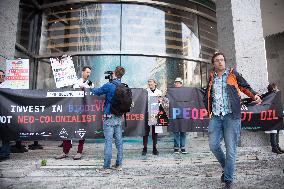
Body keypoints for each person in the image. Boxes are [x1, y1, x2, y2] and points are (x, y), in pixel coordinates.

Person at [204, 52, 262, 189]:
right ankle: (227, 168)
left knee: (231, 150)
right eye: (217, 60)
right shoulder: (211, 77)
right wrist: (208, 110)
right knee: (213, 146)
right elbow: (207, 94)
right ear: (213, 63)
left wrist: (255, 96)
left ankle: (228, 179)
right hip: (216, 116)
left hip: (231, 116)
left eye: (222, 60)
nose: (220, 62)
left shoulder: (233, 74)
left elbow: (245, 87)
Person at [90, 66, 125, 172]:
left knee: (108, 142)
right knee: (119, 142)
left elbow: (97, 91)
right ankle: (119, 165)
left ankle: (106, 167)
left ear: (114, 73)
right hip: (119, 117)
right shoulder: (123, 86)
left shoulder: (109, 85)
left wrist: (91, 86)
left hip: (109, 117)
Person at [56, 66, 94, 160]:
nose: (88, 74)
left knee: (82, 130)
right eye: (87, 72)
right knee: (67, 128)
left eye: (89, 73)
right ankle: (65, 151)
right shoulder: (75, 82)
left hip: (83, 110)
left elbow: (91, 96)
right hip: (72, 109)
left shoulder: (91, 84)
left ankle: (79, 152)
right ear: (82, 72)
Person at [142, 79, 163, 156]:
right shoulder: (145, 92)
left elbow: (162, 103)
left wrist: (159, 100)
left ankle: (154, 148)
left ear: (155, 83)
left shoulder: (159, 92)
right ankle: (145, 148)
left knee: (155, 132)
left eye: (151, 82)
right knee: (145, 132)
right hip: (147, 113)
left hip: (155, 113)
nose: (149, 83)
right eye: (148, 82)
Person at [264, 83, 284, 154]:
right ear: (273, 90)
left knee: (277, 131)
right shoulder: (269, 97)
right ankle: (274, 147)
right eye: (276, 88)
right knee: (273, 132)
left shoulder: (275, 96)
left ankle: (277, 146)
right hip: (272, 117)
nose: (278, 90)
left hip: (277, 117)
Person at [172, 77, 187, 154]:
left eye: (179, 83)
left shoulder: (185, 92)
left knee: (183, 131)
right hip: (174, 113)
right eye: (176, 83)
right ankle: (176, 148)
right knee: (175, 131)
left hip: (183, 113)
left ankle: (183, 147)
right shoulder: (171, 92)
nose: (177, 84)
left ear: (181, 84)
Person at [0, 70, 11, 161]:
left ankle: (5, 153)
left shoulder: (7, 86)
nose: (2, 77)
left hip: (4, 113)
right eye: (0, 75)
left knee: (5, 134)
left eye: (3, 75)